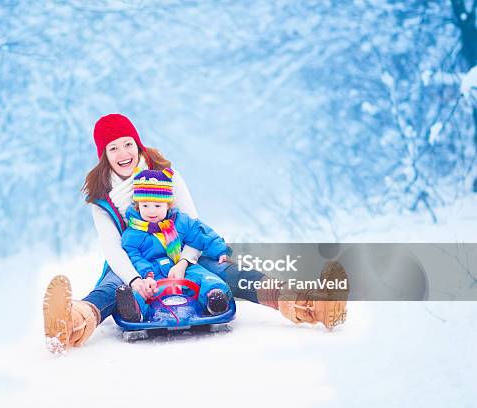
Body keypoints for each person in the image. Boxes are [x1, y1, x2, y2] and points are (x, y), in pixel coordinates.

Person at [42, 113, 348, 353]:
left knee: (229, 273)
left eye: (127, 144)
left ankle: (311, 305)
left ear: (137, 143)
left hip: (181, 252)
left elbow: (193, 224)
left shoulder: (167, 176)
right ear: (103, 154)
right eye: (113, 147)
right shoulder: (102, 199)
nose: (123, 153)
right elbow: (113, 249)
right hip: (132, 261)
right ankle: (68, 324)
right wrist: (136, 279)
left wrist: (185, 263)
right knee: (112, 289)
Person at [115, 168, 232, 322]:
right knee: (142, 291)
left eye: (157, 206)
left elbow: (201, 233)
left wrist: (220, 250)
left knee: (205, 277)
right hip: (153, 273)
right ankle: (134, 309)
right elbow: (134, 257)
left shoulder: (180, 222)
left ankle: (214, 299)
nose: (151, 211)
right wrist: (147, 276)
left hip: (182, 267)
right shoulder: (132, 234)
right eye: (145, 205)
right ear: (137, 206)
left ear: (168, 205)